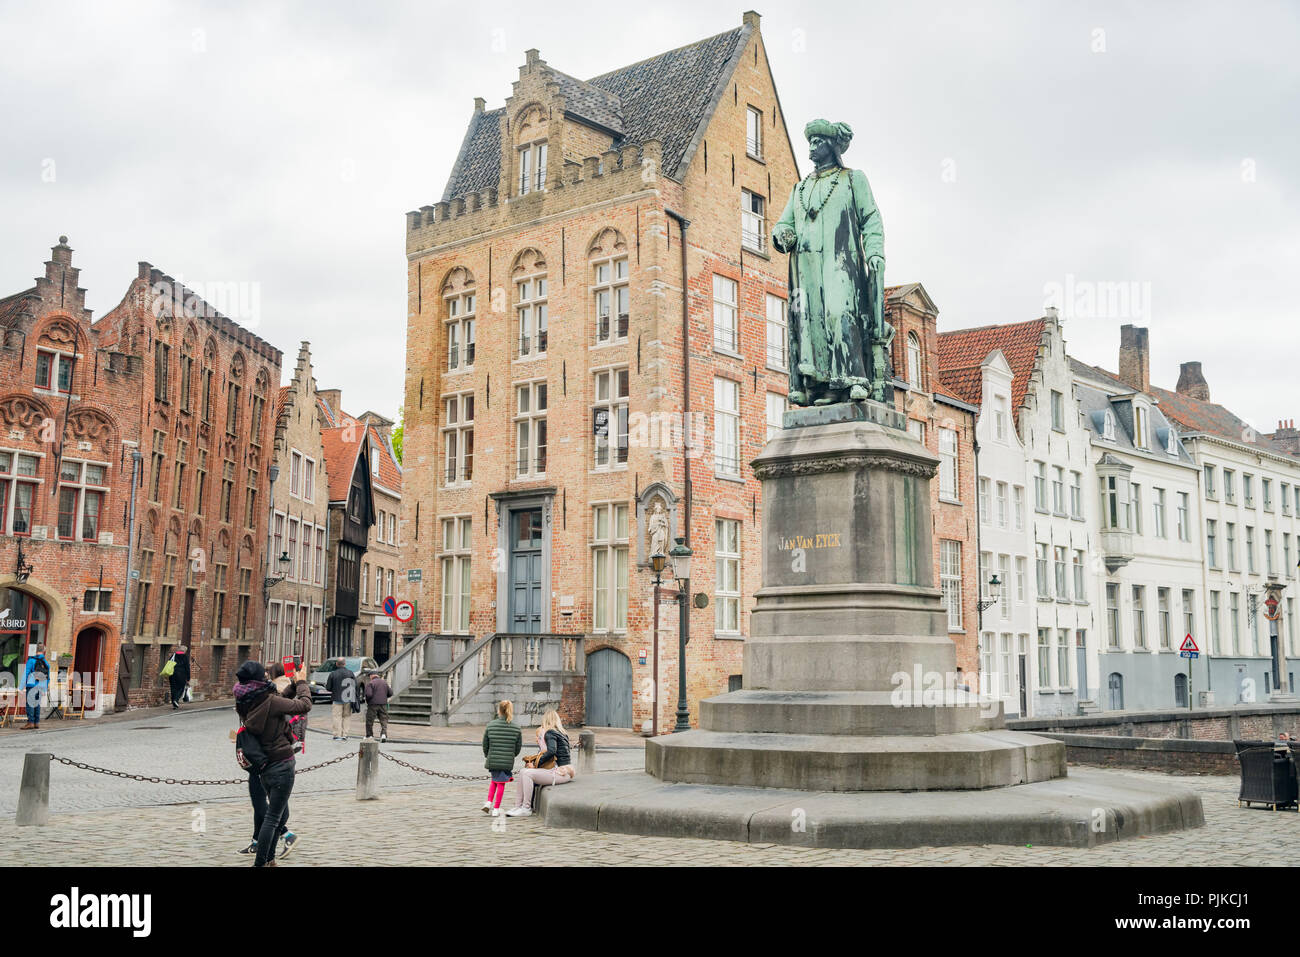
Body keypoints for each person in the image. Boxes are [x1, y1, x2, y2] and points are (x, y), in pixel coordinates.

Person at [238, 658, 312, 867]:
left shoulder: (245, 700)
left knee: (279, 814)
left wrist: (294, 685)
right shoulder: (268, 701)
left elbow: (277, 702)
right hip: (281, 762)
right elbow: (304, 705)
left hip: (264, 765)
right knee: (273, 818)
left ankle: (269, 860)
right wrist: (303, 683)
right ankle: (261, 863)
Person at [507, 709, 574, 817]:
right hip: (565, 771)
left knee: (527, 773)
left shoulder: (550, 732)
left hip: (560, 772)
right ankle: (518, 806)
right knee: (523, 771)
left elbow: (551, 751)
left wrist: (535, 765)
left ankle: (526, 808)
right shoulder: (563, 733)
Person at [481, 700, 522, 817]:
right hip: (507, 761)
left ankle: (489, 802)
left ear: (499, 710)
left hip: (492, 759)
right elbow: (518, 748)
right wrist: (510, 756)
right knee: (501, 784)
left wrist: (488, 755)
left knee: (494, 779)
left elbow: (485, 744)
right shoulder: (516, 728)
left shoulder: (490, 725)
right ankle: (496, 808)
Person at [324, 657, 356, 741]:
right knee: (347, 716)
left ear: (336, 664)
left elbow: (328, 688)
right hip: (348, 699)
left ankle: (337, 734)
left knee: (337, 717)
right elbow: (354, 685)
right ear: (345, 664)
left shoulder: (333, 674)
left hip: (337, 698)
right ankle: (345, 734)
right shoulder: (350, 673)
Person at [21, 644, 51, 730]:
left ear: (35, 650)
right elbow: (48, 677)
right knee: (37, 704)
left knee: (30, 704)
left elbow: (25, 674)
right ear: (44, 650)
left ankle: (30, 722)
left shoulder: (31, 660)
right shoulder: (46, 663)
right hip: (41, 686)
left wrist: (21, 687)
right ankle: (36, 723)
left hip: (31, 685)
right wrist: (45, 689)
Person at [364, 670, 392, 742]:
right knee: (383, 720)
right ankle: (383, 735)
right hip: (383, 704)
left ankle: (369, 735)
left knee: (370, 720)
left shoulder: (370, 683)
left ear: (371, 676)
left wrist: (368, 700)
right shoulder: (384, 682)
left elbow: (369, 694)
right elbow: (390, 693)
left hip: (373, 704)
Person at [166, 645, 191, 710]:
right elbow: (187, 668)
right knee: (181, 688)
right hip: (181, 675)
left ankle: (175, 703)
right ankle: (176, 699)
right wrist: (188, 678)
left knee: (173, 688)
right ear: (184, 651)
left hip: (172, 674)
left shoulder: (173, 655)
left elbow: (169, 663)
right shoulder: (185, 657)